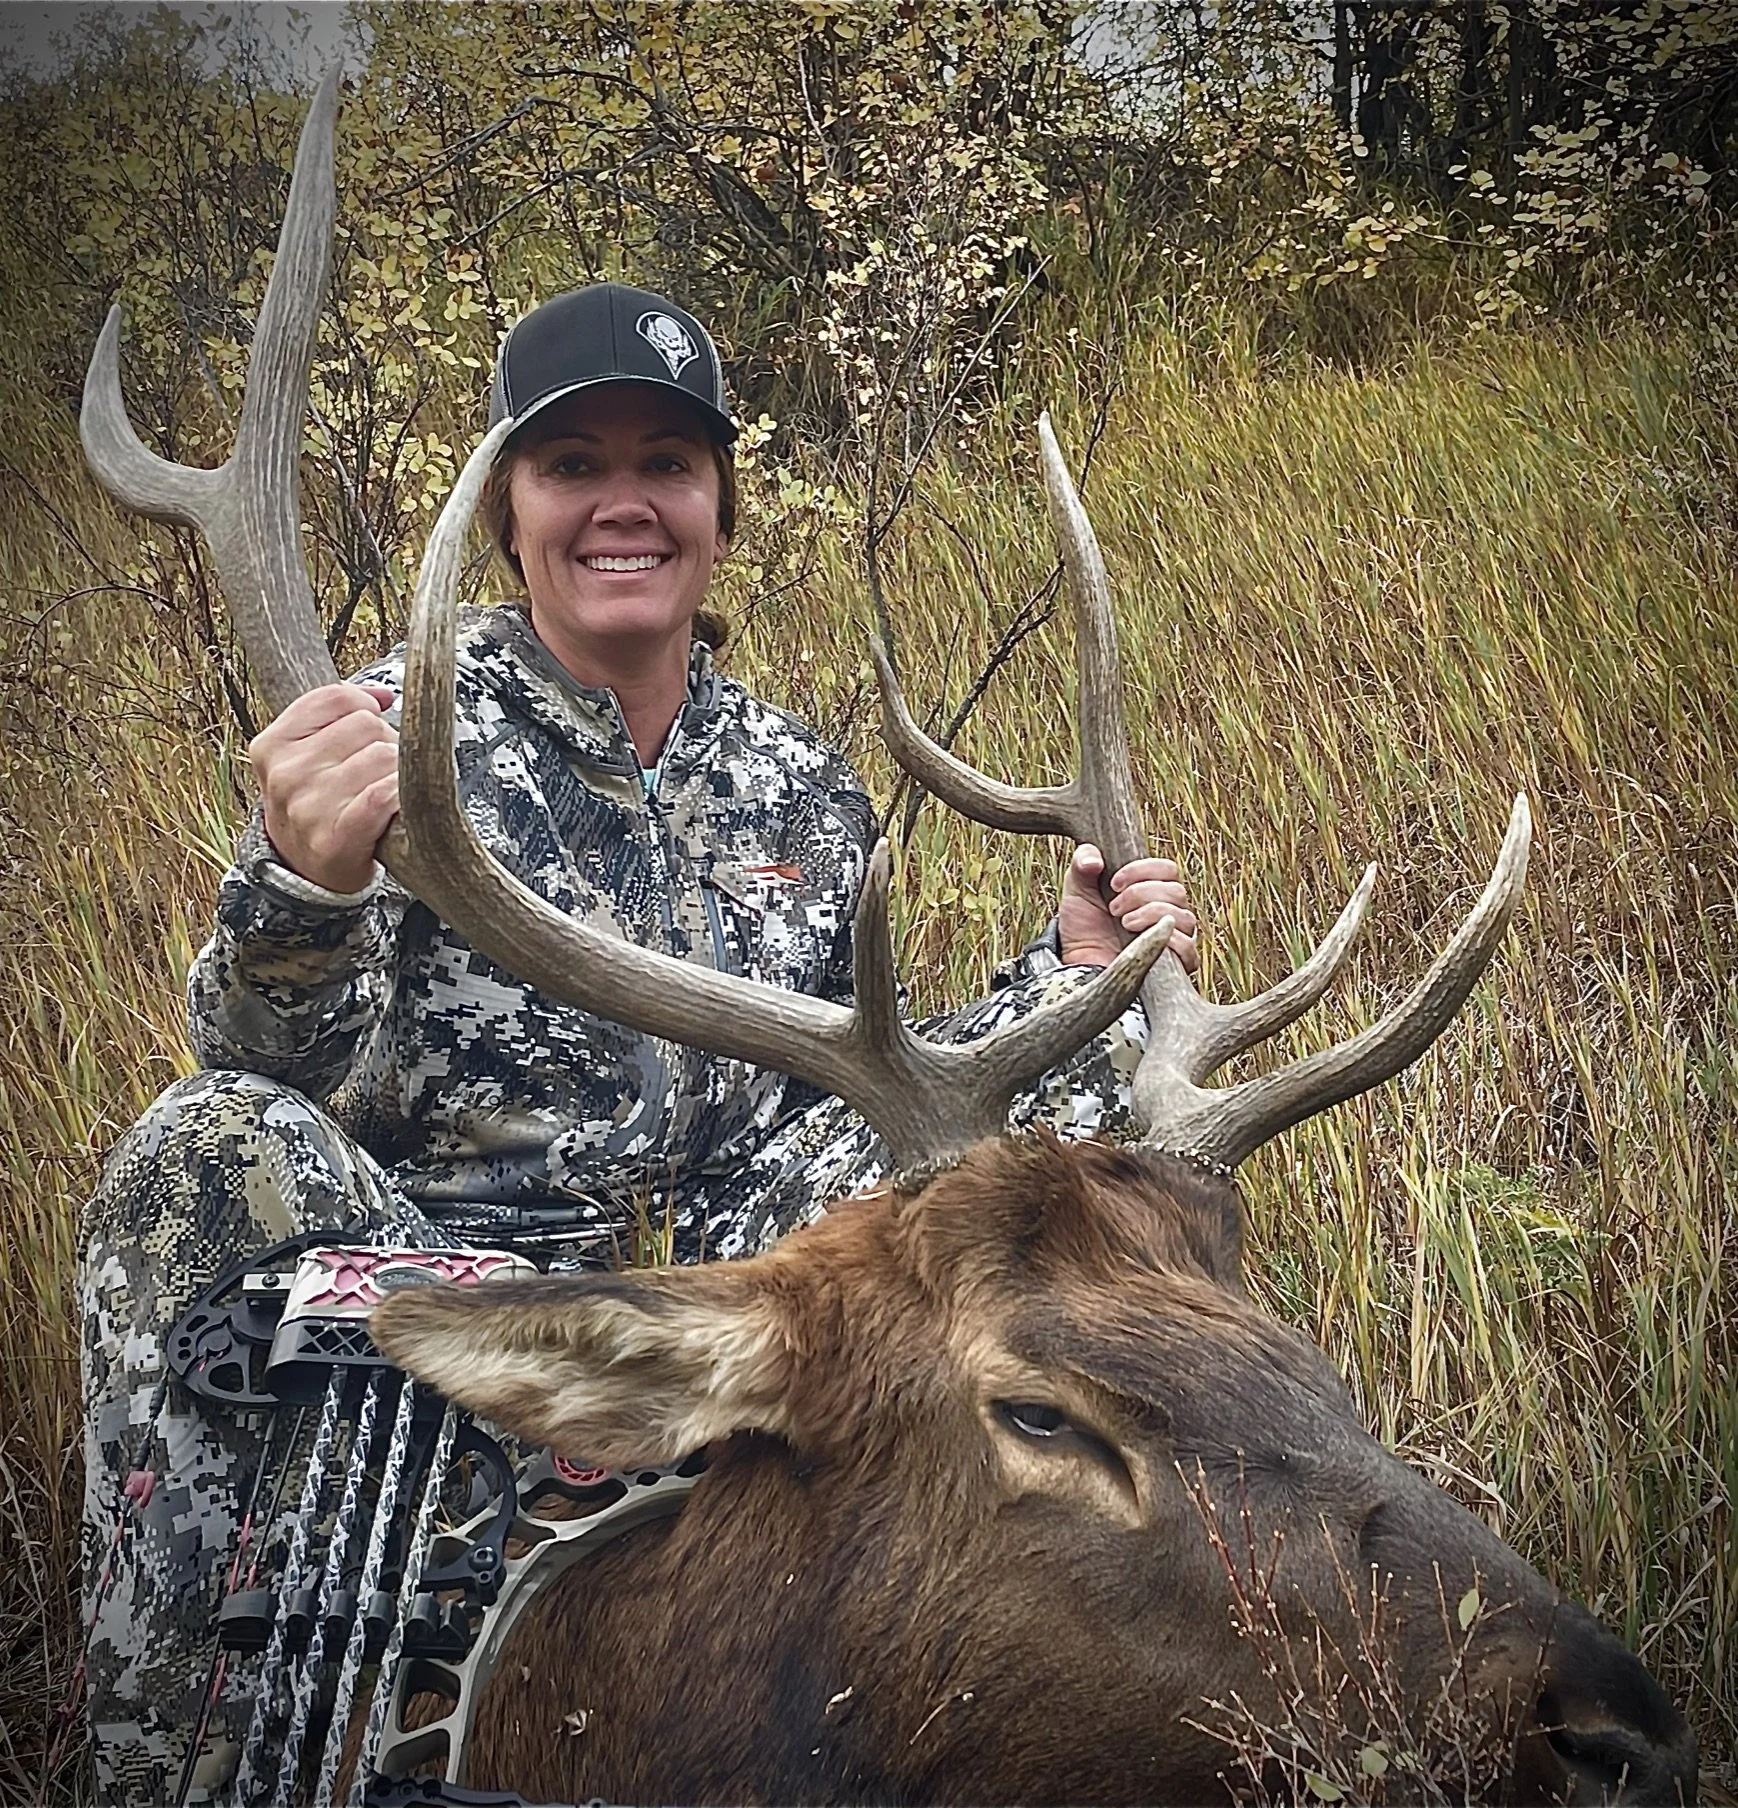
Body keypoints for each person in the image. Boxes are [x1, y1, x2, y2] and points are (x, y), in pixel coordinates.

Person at [78, 282, 1199, 1801]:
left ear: (720, 511)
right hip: (435, 1281)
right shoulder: (392, 726)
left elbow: (851, 1106)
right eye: (572, 465)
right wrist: (303, 882)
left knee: (990, 1213)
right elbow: (267, 1064)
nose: (625, 504)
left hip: (726, 1271)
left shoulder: (800, 784)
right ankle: (172, 1753)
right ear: (508, 511)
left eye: (667, 464)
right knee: (200, 1143)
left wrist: (1061, 979)